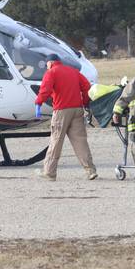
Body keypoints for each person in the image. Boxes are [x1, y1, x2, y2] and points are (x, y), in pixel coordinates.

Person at [34, 53, 98, 181]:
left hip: (61, 111)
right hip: (77, 109)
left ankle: (49, 172)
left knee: (56, 141)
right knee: (80, 141)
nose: (47, 67)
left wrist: (38, 103)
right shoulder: (73, 71)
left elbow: (45, 90)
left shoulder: (51, 72)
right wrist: (85, 103)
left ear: (50, 63)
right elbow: (86, 87)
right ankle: (90, 171)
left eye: (47, 64)